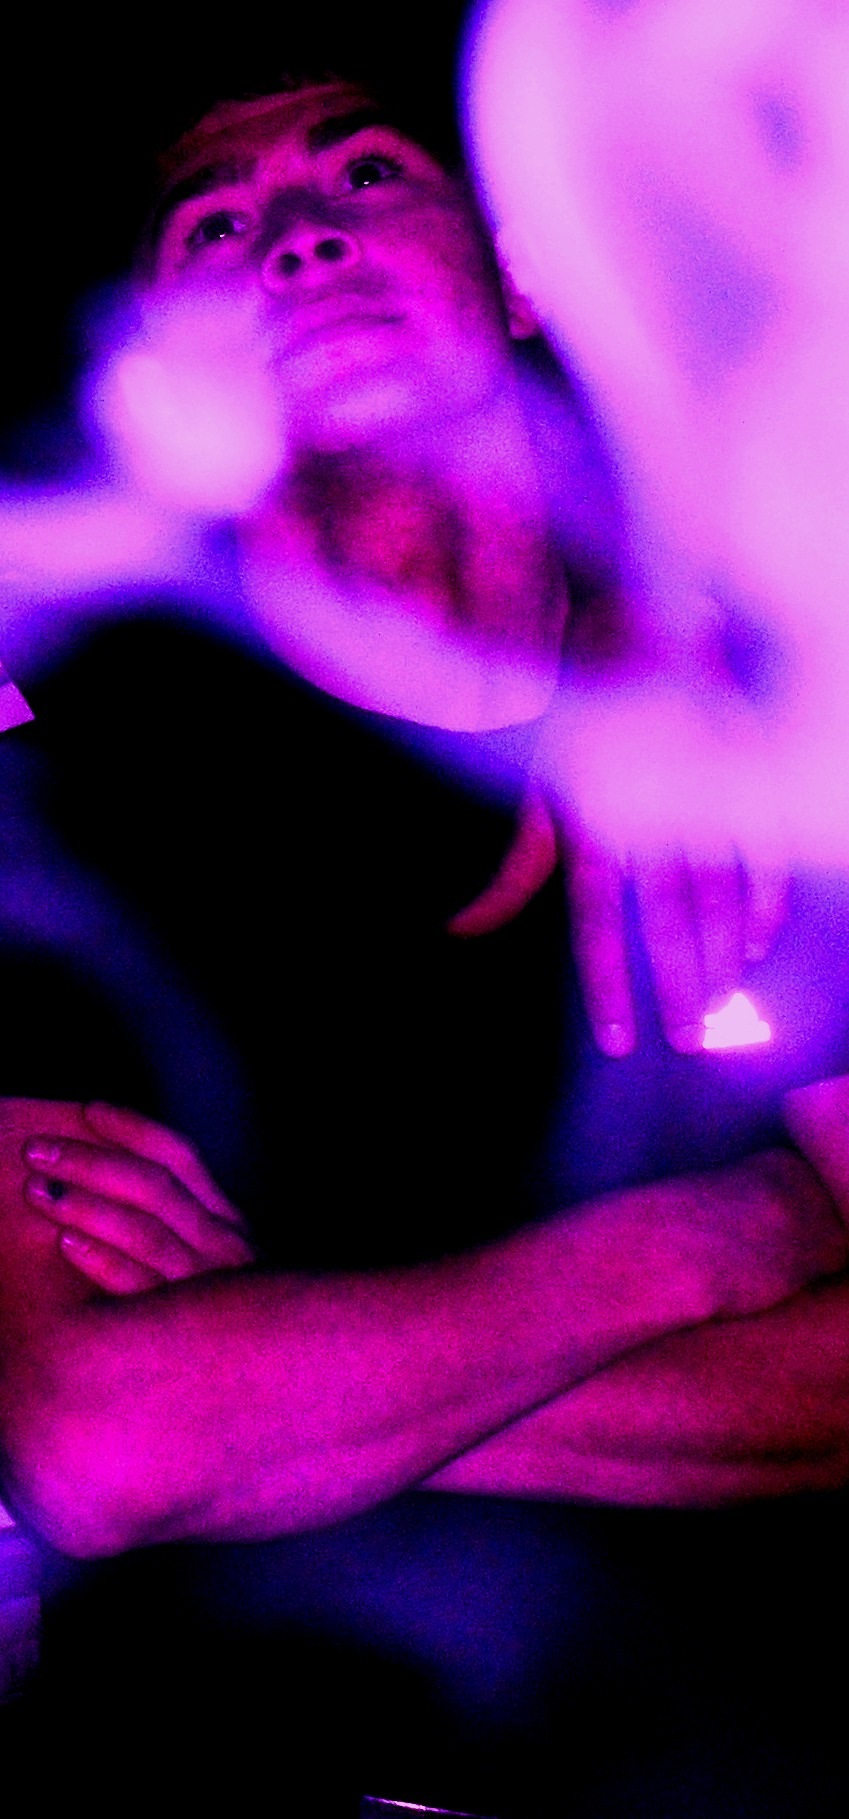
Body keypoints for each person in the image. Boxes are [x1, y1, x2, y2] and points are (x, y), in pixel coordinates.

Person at [1, 72, 849, 1816]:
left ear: (519, 267)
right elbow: (103, 1443)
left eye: (369, 174)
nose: (303, 236)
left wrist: (290, 1362)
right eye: (217, 225)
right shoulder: (60, 819)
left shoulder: (759, 748)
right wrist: (724, 1241)